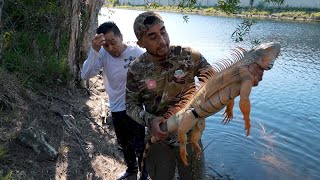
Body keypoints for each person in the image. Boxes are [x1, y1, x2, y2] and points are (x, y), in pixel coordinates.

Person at [125, 11, 264, 180]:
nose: (162, 40)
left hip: (191, 138)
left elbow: (219, 82)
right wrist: (150, 120)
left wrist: (246, 78)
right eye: (152, 36)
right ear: (141, 43)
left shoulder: (190, 56)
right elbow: (131, 106)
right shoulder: (136, 69)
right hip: (158, 139)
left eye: (163, 31)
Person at [81, 21, 148, 180]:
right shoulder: (103, 54)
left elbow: (151, 77)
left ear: (121, 38)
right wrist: (95, 50)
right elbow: (85, 75)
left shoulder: (136, 52)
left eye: (113, 43)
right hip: (117, 108)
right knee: (125, 143)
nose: (111, 48)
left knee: (140, 145)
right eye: (106, 45)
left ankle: (144, 175)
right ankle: (131, 171)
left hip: (136, 108)